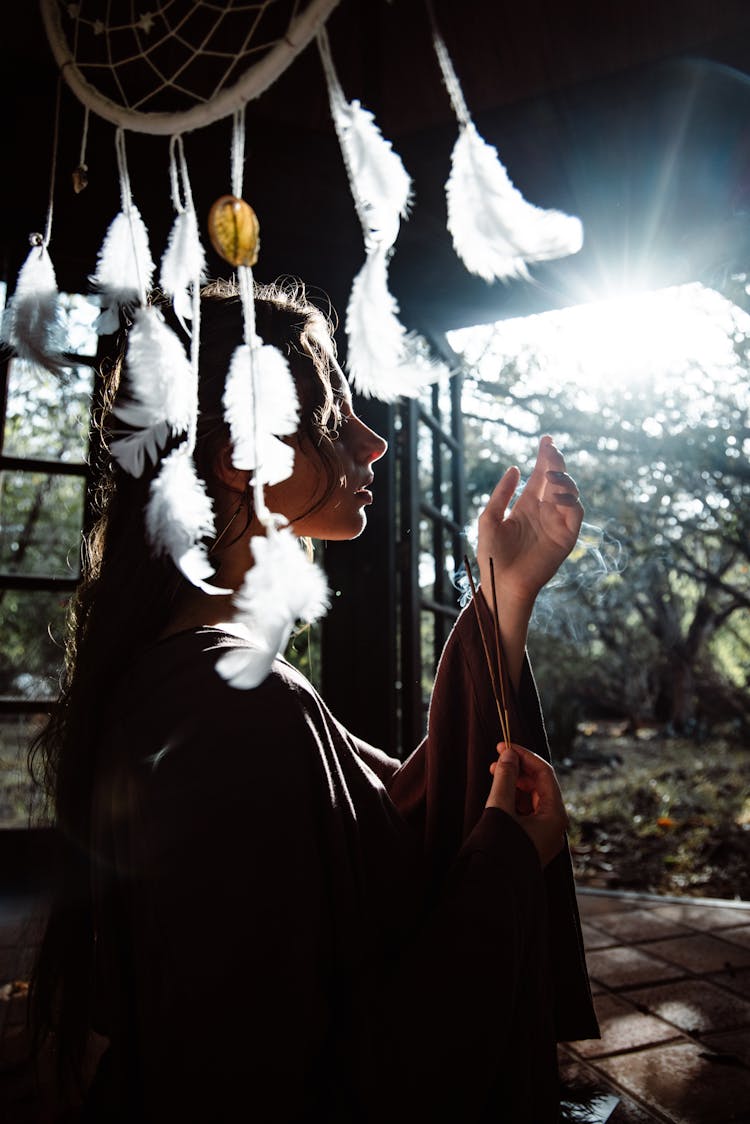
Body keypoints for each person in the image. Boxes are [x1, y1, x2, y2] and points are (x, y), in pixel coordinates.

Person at [29, 277, 599, 1123]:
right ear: (241, 455)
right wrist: (510, 858)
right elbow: (309, 1072)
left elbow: (389, 830)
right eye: (334, 417)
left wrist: (503, 594)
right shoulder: (228, 710)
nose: (371, 445)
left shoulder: (200, 680)